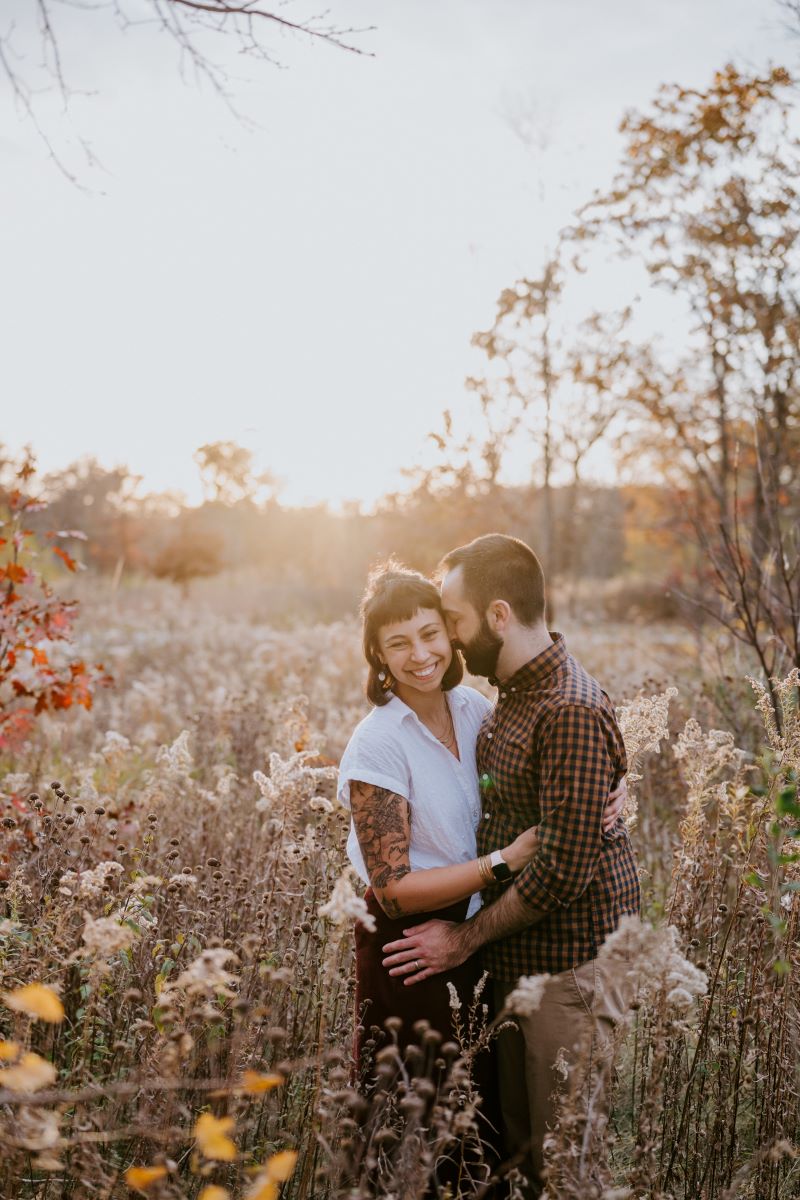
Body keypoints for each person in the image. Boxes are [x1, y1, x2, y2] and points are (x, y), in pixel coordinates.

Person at [381, 534, 641, 1198]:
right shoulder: (514, 696)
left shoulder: (568, 706)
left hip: (569, 974)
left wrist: (463, 938)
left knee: (566, 1171)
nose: (451, 640)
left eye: (456, 621)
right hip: (520, 965)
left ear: (497, 616)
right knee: (523, 1164)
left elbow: (559, 871)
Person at [337, 560, 625, 1077]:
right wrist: (502, 861)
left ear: (450, 634)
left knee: (478, 1122)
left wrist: (612, 785)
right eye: (399, 643)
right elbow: (393, 890)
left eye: (430, 633)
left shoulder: (472, 708)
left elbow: (541, 770)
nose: (420, 655)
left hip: (480, 935)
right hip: (413, 946)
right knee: (414, 1111)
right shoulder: (378, 742)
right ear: (377, 653)